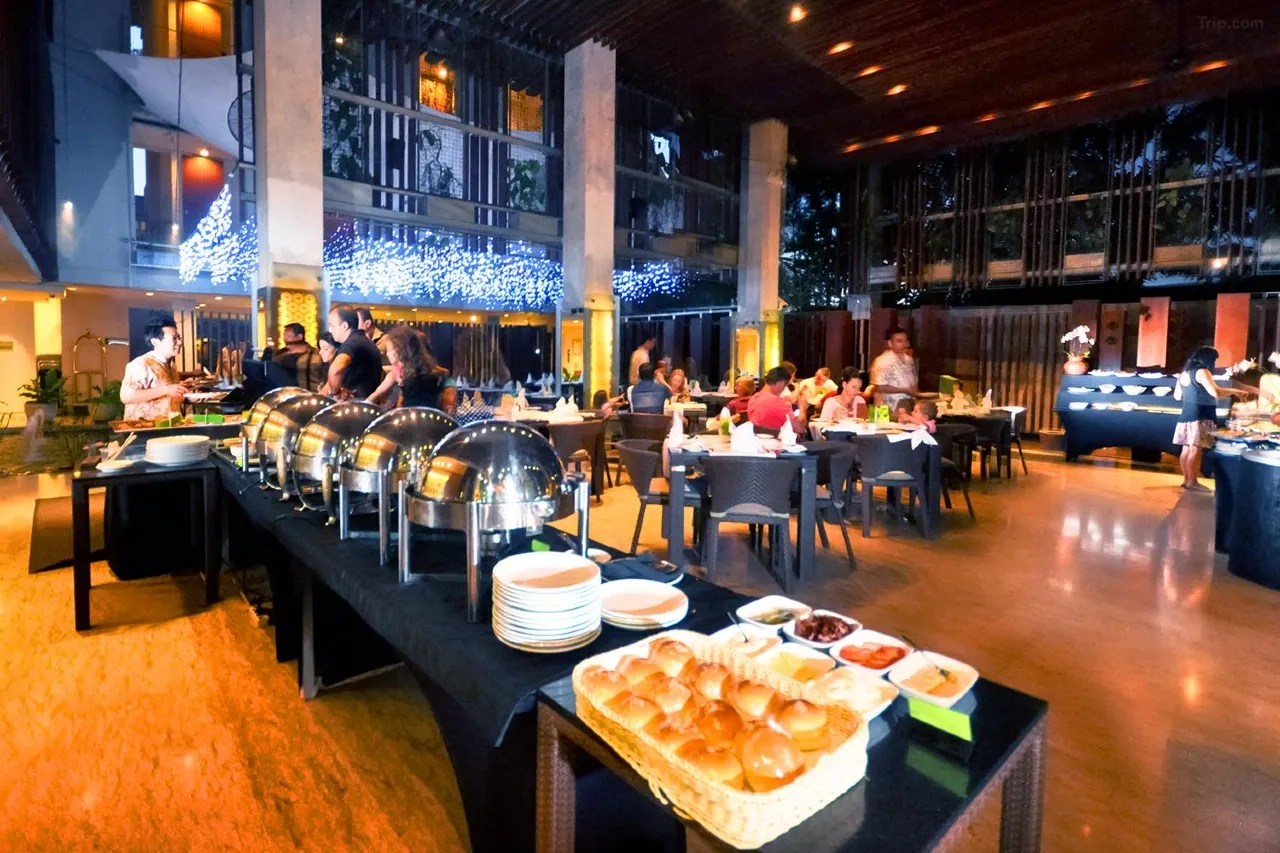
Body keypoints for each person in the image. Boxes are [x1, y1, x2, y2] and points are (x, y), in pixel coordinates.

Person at [1173, 346, 1246, 491]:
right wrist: (1235, 391)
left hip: (1186, 415)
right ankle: (1192, 482)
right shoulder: (1202, 372)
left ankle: (1186, 480)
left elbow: (1177, 396)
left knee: (1186, 449)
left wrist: (1193, 394)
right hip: (1201, 415)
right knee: (1195, 450)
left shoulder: (1184, 374)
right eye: (1214, 360)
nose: (1214, 363)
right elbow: (1215, 392)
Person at [120, 314, 187, 421]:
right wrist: (166, 390)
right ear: (155, 341)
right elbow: (126, 396)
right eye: (174, 338)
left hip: (168, 426)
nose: (179, 342)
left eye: (179, 338)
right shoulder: (141, 364)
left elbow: (166, 397)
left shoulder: (172, 365)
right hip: (143, 427)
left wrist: (181, 393)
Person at [368, 326, 448, 409]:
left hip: (415, 413)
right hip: (422, 413)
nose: (387, 354)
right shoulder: (423, 367)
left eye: (389, 350)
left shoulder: (417, 372)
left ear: (399, 350)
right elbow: (376, 394)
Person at [323, 303, 384, 400]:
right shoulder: (360, 340)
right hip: (363, 403)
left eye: (332, 326)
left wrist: (336, 393)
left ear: (344, 326)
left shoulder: (351, 344)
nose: (330, 331)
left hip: (357, 404)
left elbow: (335, 370)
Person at [871, 326, 918, 410]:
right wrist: (905, 390)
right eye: (899, 341)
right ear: (890, 343)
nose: (904, 344)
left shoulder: (909, 360)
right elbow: (879, 387)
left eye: (905, 341)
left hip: (909, 404)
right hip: (889, 407)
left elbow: (914, 382)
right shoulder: (883, 361)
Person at [748, 365, 806, 432]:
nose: (784, 389)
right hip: (776, 437)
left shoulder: (753, 398)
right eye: (785, 385)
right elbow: (799, 428)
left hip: (757, 436)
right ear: (781, 383)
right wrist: (802, 408)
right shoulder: (777, 401)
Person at [272, 323, 325, 391]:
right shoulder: (279, 354)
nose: (285, 339)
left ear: (300, 337)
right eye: (284, 336)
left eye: (288, 336)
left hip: (310, 393)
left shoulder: (316, 355)